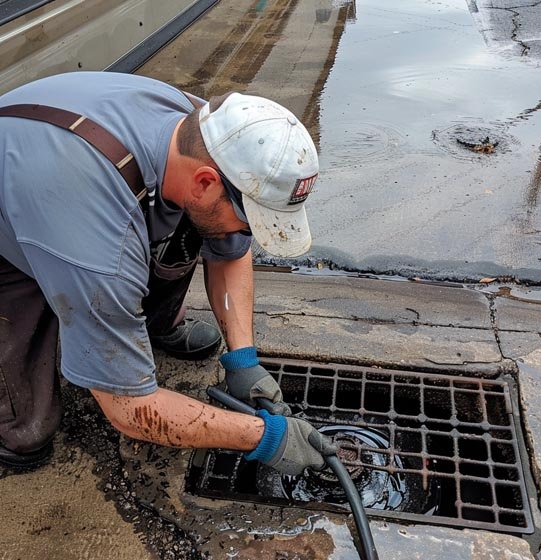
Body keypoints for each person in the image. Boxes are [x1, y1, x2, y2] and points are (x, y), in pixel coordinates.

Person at [0, 71, 335, 474]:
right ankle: (10, 431)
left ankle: (147, 325)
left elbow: (230, 253)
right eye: (249, 221)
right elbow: (132, 411)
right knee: (29, 427)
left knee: (202, 221)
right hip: (27, 204)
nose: (247, 234)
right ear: (206, 181)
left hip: (60, 181)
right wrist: (264, 437)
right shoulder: (98, 243)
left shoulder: (206, 130)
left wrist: (243, 357)